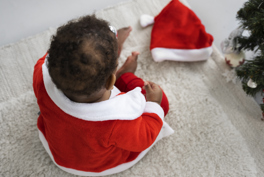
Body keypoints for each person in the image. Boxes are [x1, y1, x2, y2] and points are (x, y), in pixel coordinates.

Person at [33, 15, 173, 176]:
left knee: (85, 54)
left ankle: (111, 54)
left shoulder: (40, 74)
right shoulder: (116, 120)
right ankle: (125, 76)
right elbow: (145, 137)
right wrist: (153, 103)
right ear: (110, 82)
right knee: (162, 104)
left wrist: (105, 43)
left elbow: (57, 53)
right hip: (95, 165)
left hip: (57, 149)